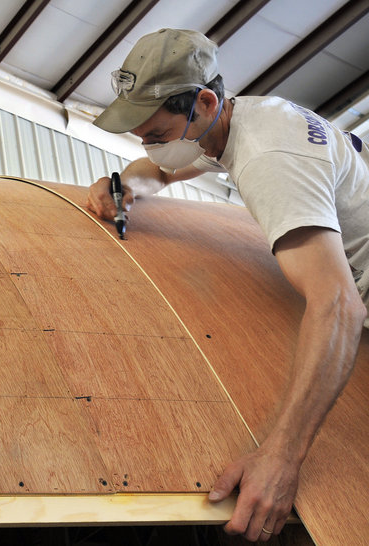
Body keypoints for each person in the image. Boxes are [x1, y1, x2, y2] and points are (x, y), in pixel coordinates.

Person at [87, 28, 368, 542]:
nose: (147, 144)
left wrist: (281, 457)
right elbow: (161, 171)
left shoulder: (268, 159)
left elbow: (338, 305)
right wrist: (125, 185)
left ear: (205, 101)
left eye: (155, 132)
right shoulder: (233, 120)